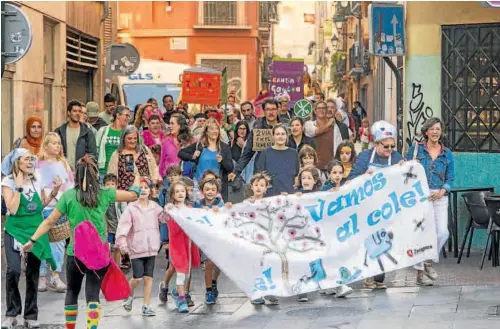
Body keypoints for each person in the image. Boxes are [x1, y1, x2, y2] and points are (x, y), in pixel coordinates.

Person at [22, 155, 141, 329]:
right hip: (99, 254)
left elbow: (49, 221)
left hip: (75, 253)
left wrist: (32, 239)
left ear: (77, 175)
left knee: (72, 291)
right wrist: (136, 177)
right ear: (96, 175)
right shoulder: (105, 193)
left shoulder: (69, 196)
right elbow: (133, 195)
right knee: (93, 294)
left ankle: (70, 327)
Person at [1, 149, 61, 329]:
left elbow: (38, 206)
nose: (30, 162)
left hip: (35, 230)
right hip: (15, 229)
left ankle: (31, 314)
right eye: (27, 159)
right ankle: (12, 313)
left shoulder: (37, 179)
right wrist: (18, 187)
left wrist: (53, 193)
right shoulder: (7, 182)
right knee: (13, 270)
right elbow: (11, 209)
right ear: (17, 162)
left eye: (32, 159)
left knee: (33, 273)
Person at [348, 120, 403, 289]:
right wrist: (365, 175)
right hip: (368, 207)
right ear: (376, 144)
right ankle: (369, 277)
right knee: (370, 241)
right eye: (386, 147)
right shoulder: (365, 157)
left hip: (388, 207)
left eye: (392, 146)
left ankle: (379, 278)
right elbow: (351, 179)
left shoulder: (397, 158)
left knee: (385, 241)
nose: (389, 150)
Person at [406, 117, 454, 286]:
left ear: (441, 132)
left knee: (442, 232)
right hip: (420, 196)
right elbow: (406, 170)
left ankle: (427, 262)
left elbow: (451, 178)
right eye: (432, 129)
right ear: (426, 131)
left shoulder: (447, 153)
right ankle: (420, 275)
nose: (435, 132)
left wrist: (442, 191)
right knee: (422, 233)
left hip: (439, 196)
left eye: (438, 129)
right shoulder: (416, 149)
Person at [118, 178, 167, 316]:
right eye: (140, 187)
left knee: (148, 278)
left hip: (151, 248)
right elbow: (123, 227)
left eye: (146, 187)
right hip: (136, 249)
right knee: (137, 278)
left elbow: (164, 218)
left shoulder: (155, 207)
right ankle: (128, 294)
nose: (143, 190)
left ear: (150, 190)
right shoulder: (131, 208)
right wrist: (122, 243)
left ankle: (146, 306)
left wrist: (168, 208)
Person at [37, 133, 75, 293]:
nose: (57, 146)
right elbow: (35, 183)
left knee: (58, 243)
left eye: (59, 143)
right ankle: (41, 276)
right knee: (41, 242)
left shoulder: (63, 163)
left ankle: (55, 274)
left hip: (58, 208)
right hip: (43, 208)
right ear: (45, 145)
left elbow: (71, 183)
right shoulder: (37, 164)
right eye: (53, 143)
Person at [164, 181, 201, 313]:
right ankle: (181, 299)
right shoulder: (171, 209)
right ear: (173, 195)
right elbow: (171, 227)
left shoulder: (190, 209)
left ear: (186, 193)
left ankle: (176, 291)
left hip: (190, 245)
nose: (180, 194)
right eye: (177, 191)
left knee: (187, 273)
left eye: (182, 191)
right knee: (181, 273)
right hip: (178, 246)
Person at [178, 118, 233, 201]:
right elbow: (181, 153)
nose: (215, 131)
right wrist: (192, 156)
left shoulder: (224, 147)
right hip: (198, 186)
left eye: (216, 128)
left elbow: (230, 167)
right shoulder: (200, 145)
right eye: (211, 129)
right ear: (206, 132)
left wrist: (222, 161)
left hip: (215, 187)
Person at [229, 99, 281, 183]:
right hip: (261, 169)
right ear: (263, 111)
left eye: (273, 109)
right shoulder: (257, 128)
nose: (271, 112)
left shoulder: (284, 127)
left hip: (280, 169)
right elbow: (247, 153)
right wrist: (236, 171)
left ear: (278, 110)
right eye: (268, 109)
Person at [107, 125, 160, 191]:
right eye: (129, 138)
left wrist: (154, 184)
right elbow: (111, 176)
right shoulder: (117, 154)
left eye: (135, 138)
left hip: (144, 191)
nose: (133, 141)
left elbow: (154, 167)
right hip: (125, 194)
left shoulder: (144, 150)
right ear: (123, 139)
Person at [255, 124, 299, 197]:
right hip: (271, 197)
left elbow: (297, 175)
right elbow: (260, 177)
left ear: (286, 136)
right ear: (273, 136)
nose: (280, 136)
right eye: (277, 134)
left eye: (283, 134)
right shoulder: (266, 153)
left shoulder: (293, 153)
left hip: (290, 196)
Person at [304, 101, 350, 169]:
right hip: (313, 167)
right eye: (319, 108)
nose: (321, 110)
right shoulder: (309, 124)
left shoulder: (335, 127)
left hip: (331, 168)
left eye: (323, 108)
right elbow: (316, 131)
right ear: (315, 111)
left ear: (326, 111)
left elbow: (341, 147)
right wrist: (329, 123)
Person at [55, 100, 97, 171]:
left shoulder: (88, 133)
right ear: (68, 112)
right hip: (63, 172)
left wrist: (85, 161)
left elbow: (92, 155)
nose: (77, 113)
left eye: (79, 111)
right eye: (74, 111)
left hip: (81, 174)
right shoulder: (59, 132)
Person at [96, 106, 132, 181]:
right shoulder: (103, 131)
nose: (128, 118)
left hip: (122, 174)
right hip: (104, 172)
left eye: (129, 116)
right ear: (118, 115)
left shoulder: (129, 133)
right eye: (126, 115)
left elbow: (131, 152)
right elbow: (96, 150)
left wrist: (130, 171)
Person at [159, 113, 194, 179]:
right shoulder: (165, 141)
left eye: (172, 123)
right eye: (169, 123)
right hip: (169, 178)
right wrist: (163, 176)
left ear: (180, 125)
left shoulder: (191, 141)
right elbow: (162, 162)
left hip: (186, 179)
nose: (169, 126)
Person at [102, 174, 122, 266]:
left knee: (117, 247)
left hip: (118, 226)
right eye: (107, 184)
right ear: (103, 186)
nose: (110, 186)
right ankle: (107, 265)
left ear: (116, 185)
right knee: (107, 247)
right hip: (108, 227)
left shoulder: (120, 197)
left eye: (112, 184)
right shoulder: (103, 198)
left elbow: (124, 212)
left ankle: (116, 266)